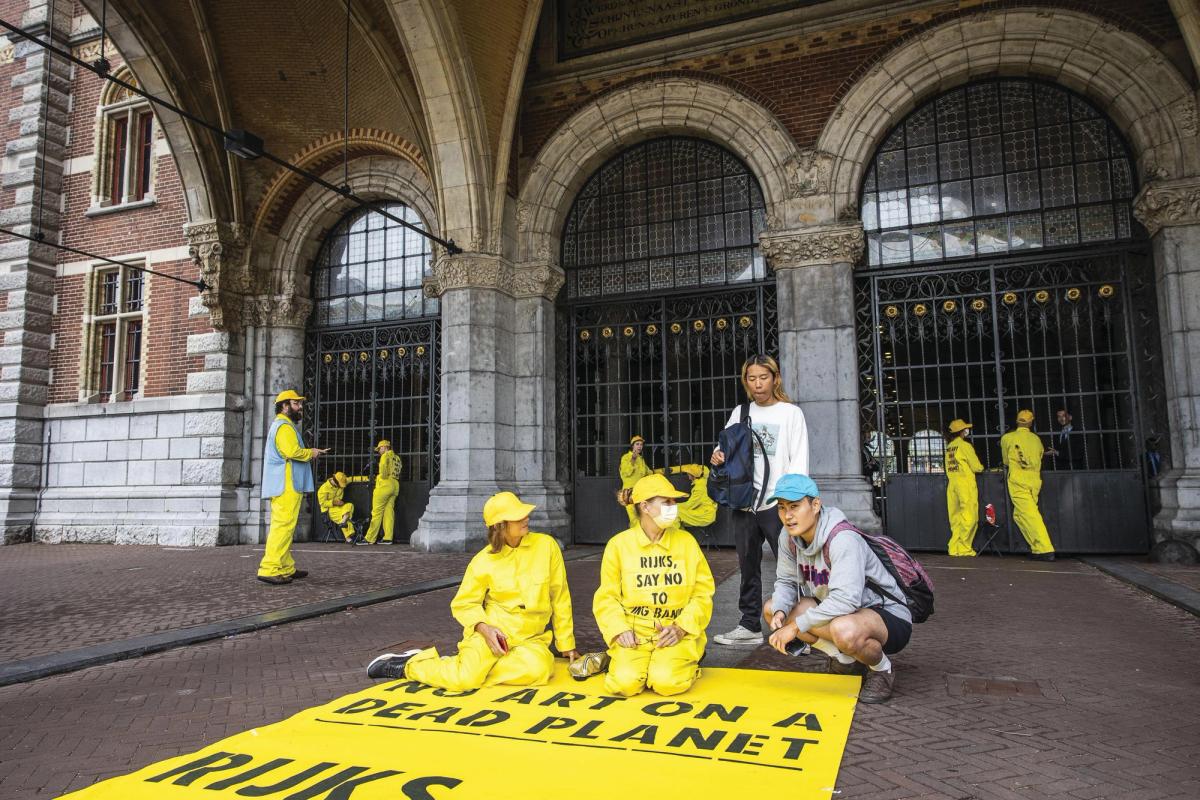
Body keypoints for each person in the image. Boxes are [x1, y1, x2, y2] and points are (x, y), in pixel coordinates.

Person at [366, 491, 578, 688]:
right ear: (500, 525)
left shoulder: (546, 546)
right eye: (517, 516)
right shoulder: (482, 561)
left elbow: (560, 596)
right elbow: (464, 604)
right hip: (491, 633)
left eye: (524, 513)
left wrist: (566, 643)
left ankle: (465, 667)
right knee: (464, 680)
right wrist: (485, 629)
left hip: (530, 639)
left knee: (539, 669)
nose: (526, 518)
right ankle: (410, 665)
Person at [764, 474, 912, 704]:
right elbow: (785, 581)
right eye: (781, 508)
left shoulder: (842, 539)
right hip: (839, 612)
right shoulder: (788, 537)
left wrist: (795, 627)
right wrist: (782, 612)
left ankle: (882, 670)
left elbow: (846, 601)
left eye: (794, 506)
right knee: (772, 608)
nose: (787, 515)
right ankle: (844, 660)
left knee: (844, 630)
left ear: (815, 505)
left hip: (885, 614)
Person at [710, 354, 809, 646]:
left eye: (763, 377)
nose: (758, 384)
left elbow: (799, 461)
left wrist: (794, 504)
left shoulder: (790, 414)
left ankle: (800, 629)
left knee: (791, 568)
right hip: (745, 503)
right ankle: (749, 625)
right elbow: (724, 449)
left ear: (775, 378)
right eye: (751, 378)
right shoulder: (740, 413)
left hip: (779, 504)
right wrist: (717, 456)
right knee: (747, 566)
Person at [593, 474, 715, 697]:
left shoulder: (686, 543)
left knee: (667, 683)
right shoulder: (619, 545)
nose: (673, 507)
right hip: (635, 635)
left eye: (674, 502)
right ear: (645, 507)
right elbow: (607, 597)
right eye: (666, 502)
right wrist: (619, 630)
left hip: (674, 632)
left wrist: (682, 628)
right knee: (623, 685)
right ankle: (623, 661)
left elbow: (703, 594)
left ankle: (687, 661)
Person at [258, 389, 327, 585]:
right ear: (285, 406)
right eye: (296, 404)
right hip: (286, 484)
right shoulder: (284, 427)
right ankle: (270, 568)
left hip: (286, 484)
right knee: (283, 526)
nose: (300, 408)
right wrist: (311, 452)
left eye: (300, 404)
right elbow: (291, 451)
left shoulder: (284, 425)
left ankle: (285, 566)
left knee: (285, 526)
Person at [999, 410, 1056, 561]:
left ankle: (1045, 549)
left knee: (1030, 515)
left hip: (1018, 480)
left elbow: (1005, 460)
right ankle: (1036, 548)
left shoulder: (1008, 438)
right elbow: (1040, 456)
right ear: (1031, 423)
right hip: (1034, 481)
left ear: (1017, 421)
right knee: (1019, 515)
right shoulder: (1036, 439)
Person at [944, 419, 983, 557]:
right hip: (965, 483)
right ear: (961, 431)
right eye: (965, 428)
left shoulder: (950, 447)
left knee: (955, 517)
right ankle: (964, 548)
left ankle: (954, 548)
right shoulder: (964, 446)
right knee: (969, 516)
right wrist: (981, 468)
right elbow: (976, 466)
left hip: (952, 483)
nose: (967, 430)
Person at [363, 439, 401, 544]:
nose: (379, 451)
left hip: (385, 484)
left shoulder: (385, 456)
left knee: (376, 512)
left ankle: (369, 538)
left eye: (380, 448)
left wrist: (382, 477)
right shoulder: (396, 457)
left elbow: (383, 471)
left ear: (385, 447)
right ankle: (388, 537)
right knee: (389, 512)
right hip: (395, 484)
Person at [670, 464, 718, 528]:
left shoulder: (699, 488)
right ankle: (681, 533)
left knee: (676, 512)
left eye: (689, 474)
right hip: (708, 513)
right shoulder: (704, 480)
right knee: (680, 515)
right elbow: (705, 469)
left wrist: (673, 505)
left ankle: (675, 535)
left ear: (693, 476)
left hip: (705, 516)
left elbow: (690, 505)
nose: (688, 477)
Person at [619, 435, 652, 527]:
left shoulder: (641, 459)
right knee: (633, 518)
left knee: (641, 516)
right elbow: (626, 473)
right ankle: (634, 538)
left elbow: (648, 472)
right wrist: (632, 459)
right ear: (632, 446)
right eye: (637, 444)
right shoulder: (625, 457)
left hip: (640, 492)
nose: (639, 446)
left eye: (641, 444)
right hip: (628, 493)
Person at [317, 471, 358, 543]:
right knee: (343, 514)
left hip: (339, 507)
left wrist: (367, 478)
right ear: (335, 481)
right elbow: (322, 503)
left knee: (349, 505)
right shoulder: (323, 489)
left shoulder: (342, 480)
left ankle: (344, 523)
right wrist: (333, 502)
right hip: (328, 510)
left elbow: (352, 479)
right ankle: (349, 535)